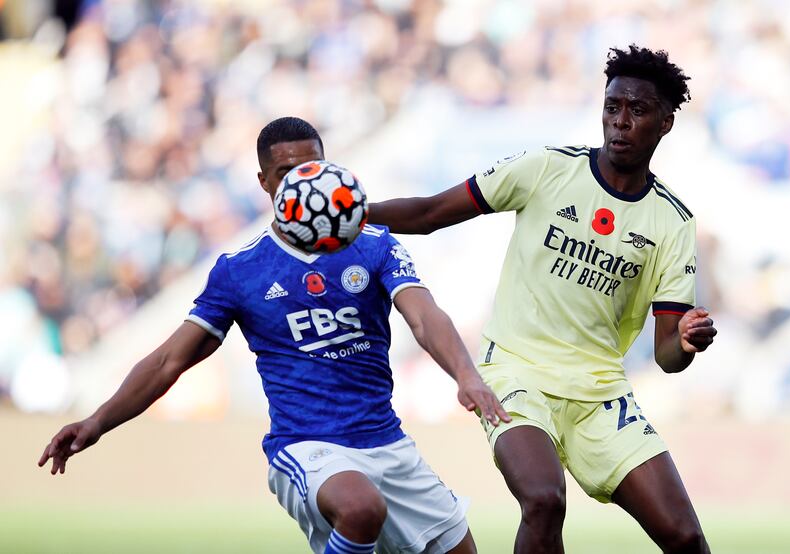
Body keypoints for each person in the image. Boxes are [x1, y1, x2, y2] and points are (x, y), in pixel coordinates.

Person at [38, 116, 510, 554]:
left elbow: (425, 318)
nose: (301, 182)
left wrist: (465, 376)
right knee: (361, 508)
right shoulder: (240, 271)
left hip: (387, 443)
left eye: (311, 168)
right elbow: (168, 361)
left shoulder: (375, 243)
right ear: (263, 182)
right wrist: (96, 422)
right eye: (286, 172)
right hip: (307, 447)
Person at [367, 45, 718, 554]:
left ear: (664, 123)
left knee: (685, 536)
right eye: (612, 107)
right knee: (543, 498)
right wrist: (354, 215)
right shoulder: (546, 169)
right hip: (515, 373)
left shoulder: (672, 222)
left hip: (600, 393)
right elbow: (429, 212)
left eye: (637, 111)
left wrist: (685, 342)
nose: (620, 122)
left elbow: (667, 358)